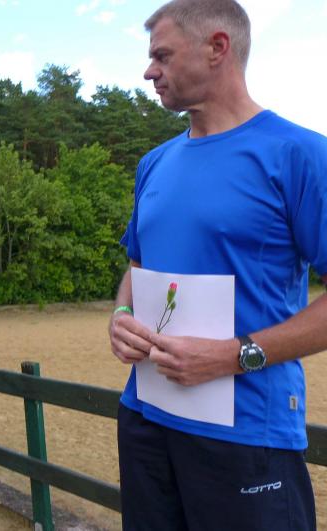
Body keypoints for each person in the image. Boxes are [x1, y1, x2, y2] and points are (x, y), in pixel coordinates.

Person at [108, 1, 327, 530]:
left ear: (217, 48)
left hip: (247, 435)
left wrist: (234, 356)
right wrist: (120, 315)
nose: (149, 71)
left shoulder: (300, 155)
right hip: (144, 420)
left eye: (162, 55)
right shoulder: (154, 163)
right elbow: (138, 265)